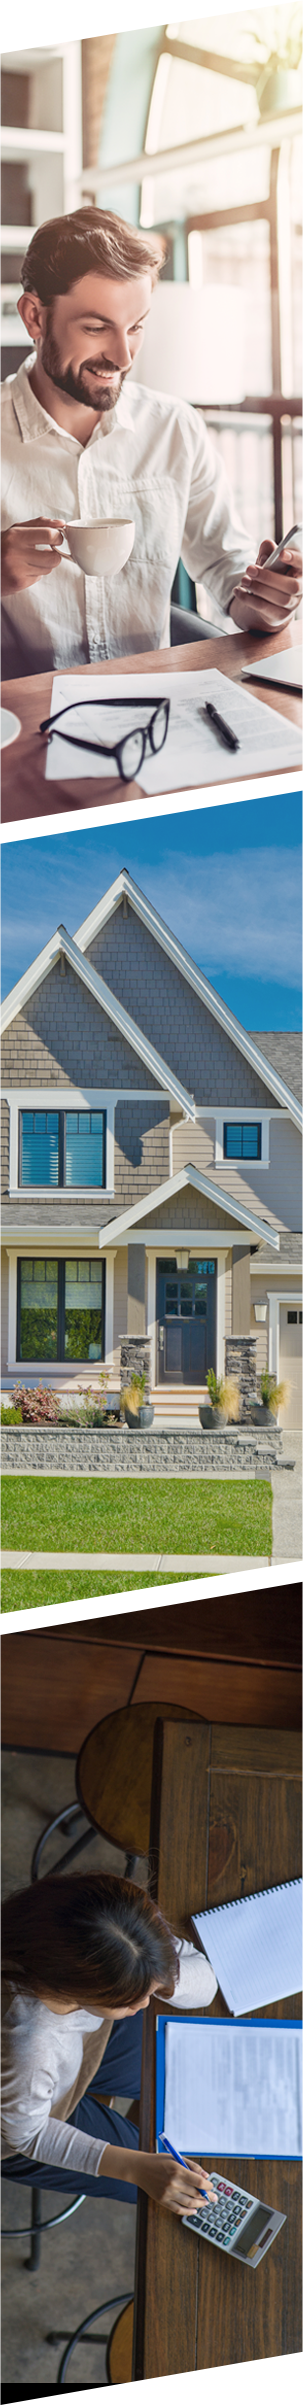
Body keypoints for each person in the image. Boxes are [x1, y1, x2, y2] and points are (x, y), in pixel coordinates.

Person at [0, 205, 302, 678]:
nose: (122, 356)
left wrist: (264, 603)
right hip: (22, 724)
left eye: (136, 326)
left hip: (159, 713)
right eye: (97, 328)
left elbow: (227, 567)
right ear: (35, 318)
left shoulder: (175, 428)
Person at [0, 1872, 218, 2212]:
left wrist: (152, 1974)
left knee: (189, 2075)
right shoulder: (30, 2046)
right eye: (130, 2000)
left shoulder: (107, 1921)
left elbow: (205, 1982)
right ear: (76, 1987)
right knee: (155, 2185)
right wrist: (136, 2168)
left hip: (80, 2049)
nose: (144, 2005)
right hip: (23, 2127)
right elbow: (27, 2135)